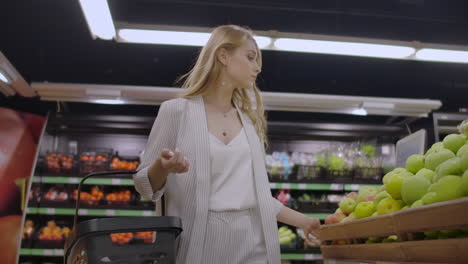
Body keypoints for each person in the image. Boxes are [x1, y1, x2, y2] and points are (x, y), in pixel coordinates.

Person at [133, 25, 320, 264]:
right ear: (223, 55)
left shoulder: (249, 121)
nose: (258, 67)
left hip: (253, 242)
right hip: (199, 241)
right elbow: (143, 185)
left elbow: (258, 197)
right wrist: (162, 166)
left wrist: (304, 222)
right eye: (250, 57)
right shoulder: (176, 112)